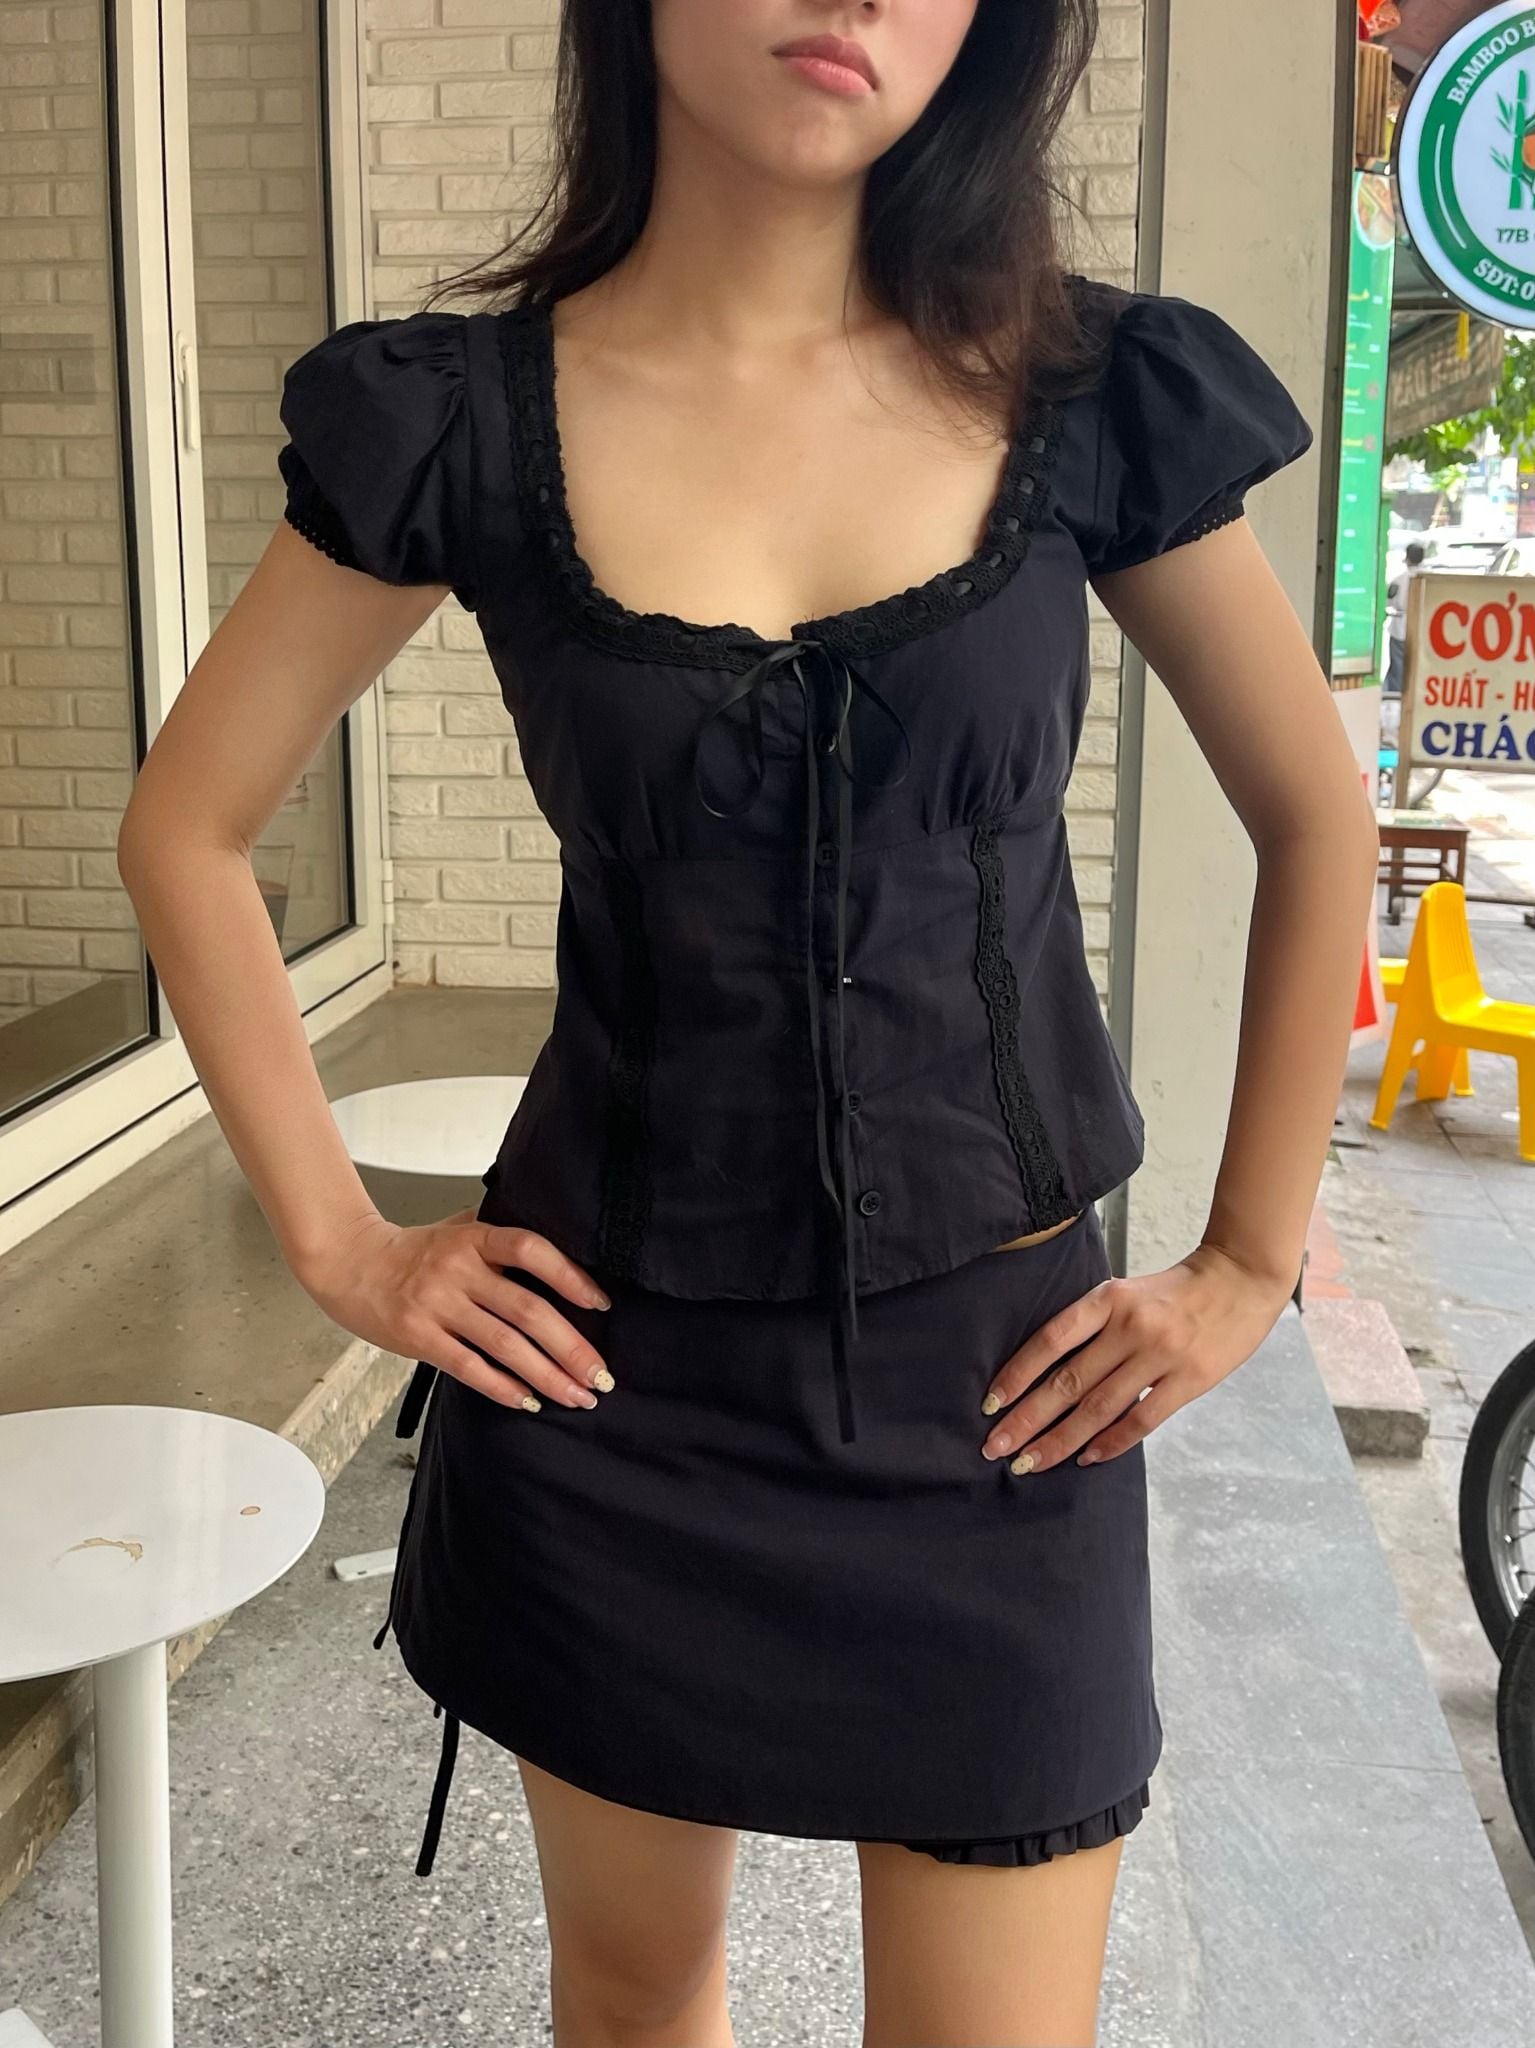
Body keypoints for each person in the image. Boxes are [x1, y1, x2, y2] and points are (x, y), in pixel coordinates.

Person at [117, 4, 1378, 2043]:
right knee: (636, 2000)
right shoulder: (464, 419)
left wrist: (1247, 1259)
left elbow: (1314, 812)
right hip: (609, 1396)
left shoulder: (1083, 391)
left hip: (1004, 1400)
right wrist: (339, 1239)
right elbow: (186, 825)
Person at [1384, 539, 1425, 697]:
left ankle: (1395, 696)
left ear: (1407, 558)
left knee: (1398, 666)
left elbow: (1389, 601)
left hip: (1399, 627)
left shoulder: (1398, 580)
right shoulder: (1427, 580)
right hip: (1420, 627)